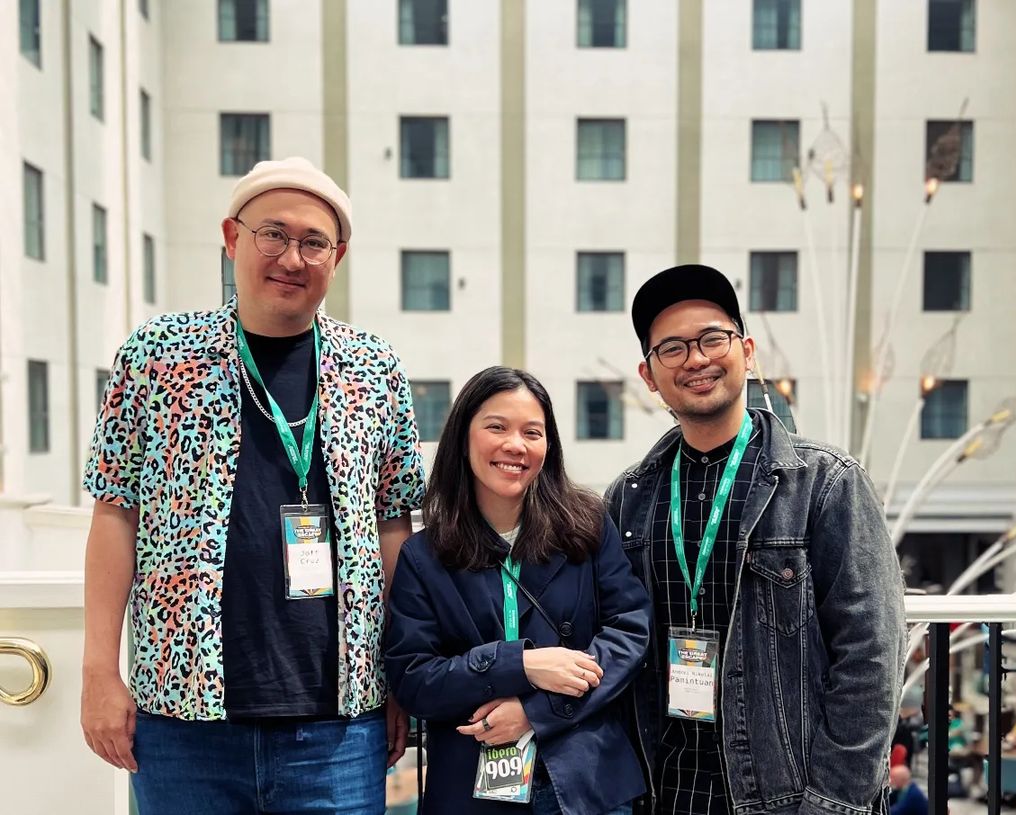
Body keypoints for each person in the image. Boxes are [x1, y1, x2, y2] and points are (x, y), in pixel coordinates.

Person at [81, 157, 425, 814]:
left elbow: (393, 526)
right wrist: (99, 669)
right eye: (273, 233)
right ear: (233, 237)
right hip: (183, 718)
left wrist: (400, 675)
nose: (291, 257)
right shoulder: (157, 356)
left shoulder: (375, 368)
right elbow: (114, 511)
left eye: (313, 242)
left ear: (338, 255)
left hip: (339, 723)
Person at [604, 264, 907, 814]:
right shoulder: (630, 497)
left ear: (746, 350)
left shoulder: (825, 483)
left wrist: (832, 802)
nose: (696, 359)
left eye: (712, 339)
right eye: (671, 348)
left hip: (787, 798)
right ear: (649, 376)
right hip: (665, 791)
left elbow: (872, 660)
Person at [385, 366, 651, 815]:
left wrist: (536, 709)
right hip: (470, 785)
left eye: (533, 432)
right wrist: (520, 665)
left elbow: (629, 632)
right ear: (463, 436)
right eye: (496, 427)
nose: (516, 445)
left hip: (585, 782)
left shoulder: (585, 524)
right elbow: (413, 679)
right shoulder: (424, 554)